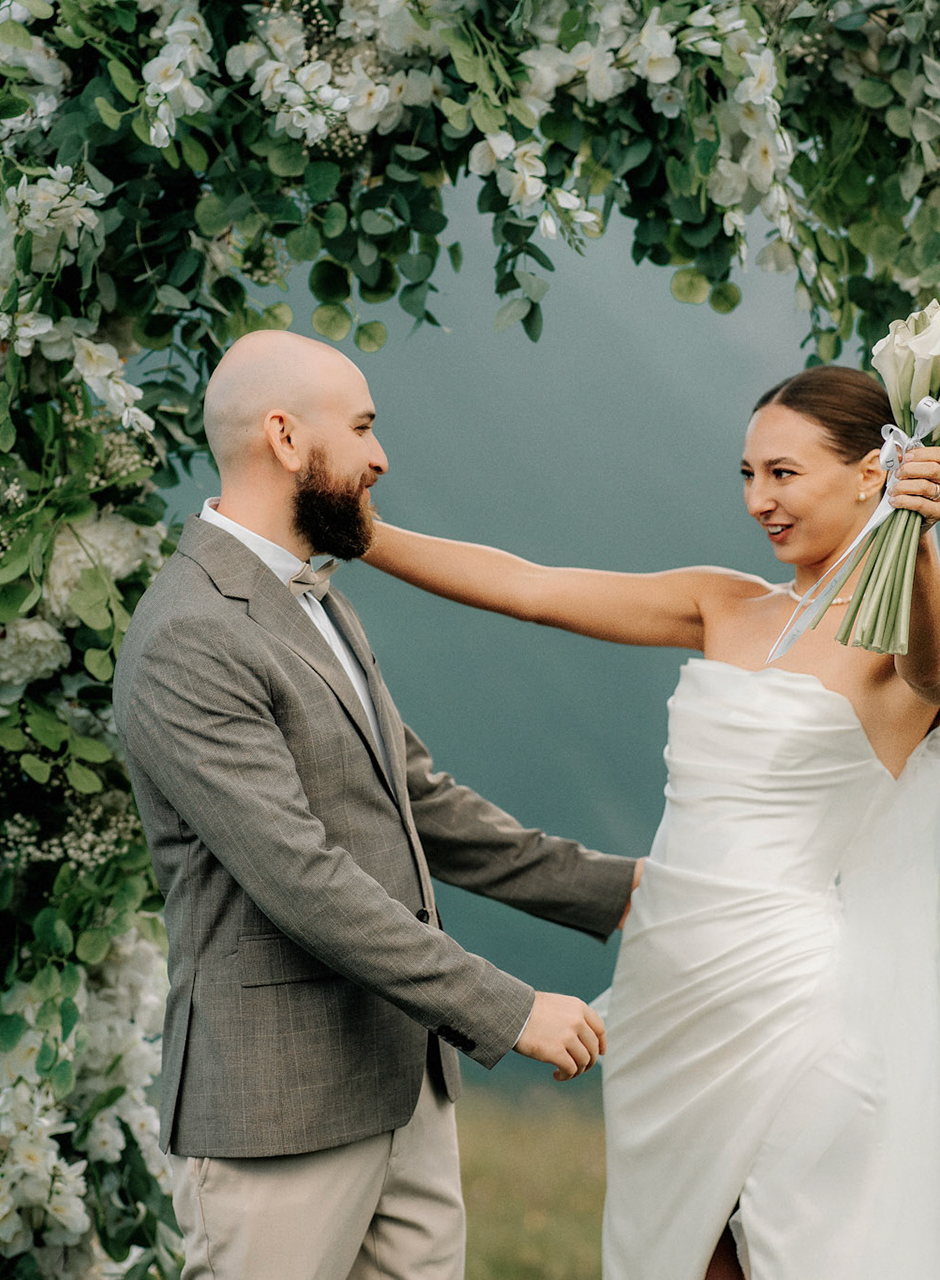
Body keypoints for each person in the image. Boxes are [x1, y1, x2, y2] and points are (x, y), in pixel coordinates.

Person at [364, 364, 940, 1280]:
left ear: (872, 475)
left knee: (797, 1248)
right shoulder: (724, 602)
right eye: (749, 475)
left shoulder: (914, 636)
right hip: (667, 990)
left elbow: (937, 670)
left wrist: (919, 541)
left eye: (784, 473)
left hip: (790, 1000)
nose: (759, 500)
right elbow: (531, 588)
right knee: (685, 1257)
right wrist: (357, 532)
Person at [112, 330, 642, 1280]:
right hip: (280, 1112)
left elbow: (416, 800)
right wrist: (508, 1008)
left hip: (404, 1086)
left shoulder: (315, 597)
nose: (380, 456)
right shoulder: (188, 632)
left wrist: (617, 890)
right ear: (284, 437)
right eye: (361, 428)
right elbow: (301, 878)